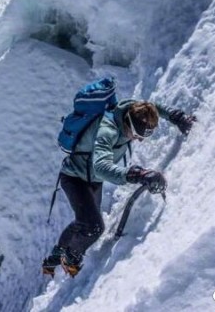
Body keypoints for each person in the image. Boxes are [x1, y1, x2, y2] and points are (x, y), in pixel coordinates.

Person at [42, 99, 196, 277]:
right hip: (75, 178)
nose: (137, 140)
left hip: (92, 178)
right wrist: (136, 174)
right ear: (128, 124)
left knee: (85, 220)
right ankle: (70, 260)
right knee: (93, 227)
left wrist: (176, 116)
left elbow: (152, 106)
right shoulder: (107, 131)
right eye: (137, 135)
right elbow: (100, 166)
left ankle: (57, 252)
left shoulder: (131, 109)